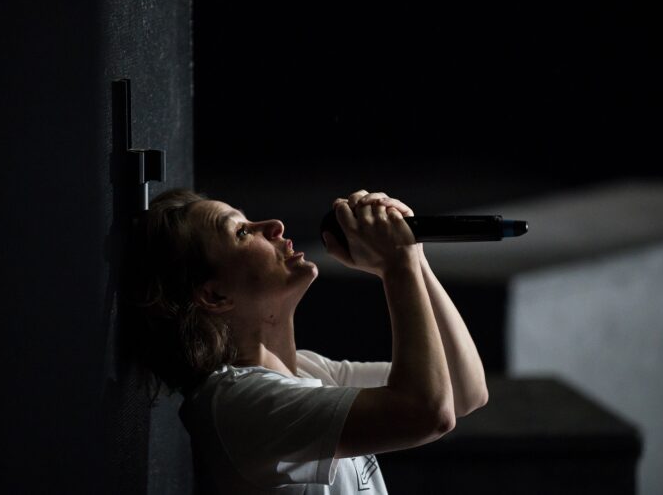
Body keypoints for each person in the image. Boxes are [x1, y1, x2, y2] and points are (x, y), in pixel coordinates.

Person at [122, 188, 489, 494]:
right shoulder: (235, 403)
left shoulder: (308, 370)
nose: (273, 225)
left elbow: (464, 392)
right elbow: (427, 415)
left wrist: (415, 256)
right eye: (242, 232)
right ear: (215, 296)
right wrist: (397, 265)